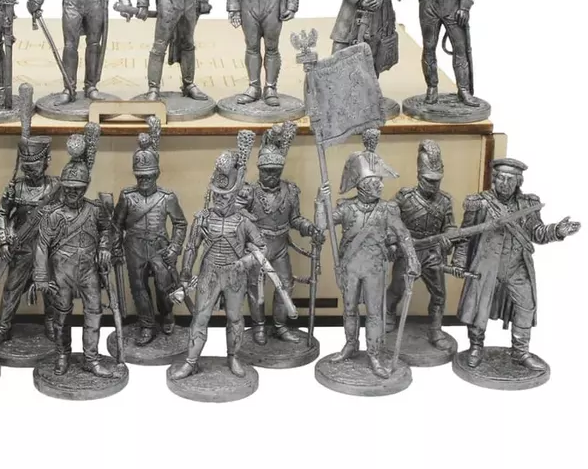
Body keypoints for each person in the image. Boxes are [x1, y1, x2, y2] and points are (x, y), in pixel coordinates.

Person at [454, 158, 580, 373]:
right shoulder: (479, 203)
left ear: (518, 182)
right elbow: (465, 235)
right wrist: (459, 261)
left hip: (517, 266)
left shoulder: (528, 205)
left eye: (510, 180)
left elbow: (537, 233)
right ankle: (475, 347)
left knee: (526, 306)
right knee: (478, 306)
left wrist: (557, 231)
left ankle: (520, 352)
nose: (504, 183)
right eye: (501, 178)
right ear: (494, 179)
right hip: (486, 265)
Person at [316, 153, 420, 378]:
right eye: (375, 182)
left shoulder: (387, 209)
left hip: (374, 268)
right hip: (350, 267)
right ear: (362, 186)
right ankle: (350, 345)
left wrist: (412, 259)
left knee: (374, 313)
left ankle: (374, 354)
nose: (381, 186)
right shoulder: (346, 208)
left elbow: (403, 235)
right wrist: (319, 202)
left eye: (380, 182)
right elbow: (321, 225)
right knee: (349, 309)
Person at [169, 147, 267, 379]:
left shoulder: (244, 221)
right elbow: (191, 247)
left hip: (235, 276)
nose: (219, 199)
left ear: (234, 195)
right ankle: (191, 362)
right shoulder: (202, 218)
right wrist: (185, 274)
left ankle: (233, 357)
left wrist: (245, 262)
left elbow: (263, 248)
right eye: (216, 194)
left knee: (235, 318)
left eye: (224, 195)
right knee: (200, 318)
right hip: (209, 273)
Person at [32, 131, 118, 378]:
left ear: (85, 188)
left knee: (94, 313)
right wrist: (41, 276)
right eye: (68, 188)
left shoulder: (95, 210)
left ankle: (91, 358)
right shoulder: (54, 215)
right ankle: (62, 354)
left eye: (77, 189)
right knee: (61, 316)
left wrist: (104, 247)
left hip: (89, 270)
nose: (72, 193)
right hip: (62, 271)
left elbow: (107, 231)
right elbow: (42, 245)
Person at [241, 123, 322, 346]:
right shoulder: (250, 192)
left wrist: (309, 228)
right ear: (260, 169)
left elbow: (295, 219)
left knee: (285, 285)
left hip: (280, 247)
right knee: (255, 288)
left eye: (275, 171)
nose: (271, 175)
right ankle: (258, 326)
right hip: (257, 248)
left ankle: (280, 325)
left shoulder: (290, 190)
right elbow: (239, 220)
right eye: (267, 171)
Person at [0, 118, 59, 347]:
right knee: (11, 289)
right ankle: (3, 328)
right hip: (21, 247)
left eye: (33, 166)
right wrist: (4, 242)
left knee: (50, 288)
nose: (29, 171)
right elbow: (1, 212)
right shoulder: (15, 187)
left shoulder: (55, 187)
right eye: (25, 166)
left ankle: (52, 324)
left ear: (46, 162)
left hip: (47, 248)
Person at [112, 126, 187, 347]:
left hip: (159, 247)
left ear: (156, 174)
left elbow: (180, 224)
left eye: (148, 176)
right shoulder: (127, 196)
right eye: (140, 176)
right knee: (138, 288)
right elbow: (116, 224)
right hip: (134, 247)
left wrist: (174, 248)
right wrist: (115, 247)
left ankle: (167, 314)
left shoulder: (166, 197)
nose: (143, 180)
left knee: (164, 286)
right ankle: (146, 324)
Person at [385, 139, 456, 352]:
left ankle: (435, 329)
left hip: (433, 253)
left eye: (437, 181)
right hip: (409, 251)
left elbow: (450, 225)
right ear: (419, 176)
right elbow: (389, 222)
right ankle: (388, 314)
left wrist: (448, 238)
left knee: (439, 294)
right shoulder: (405, 198)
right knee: (397, 288)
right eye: (428, 180)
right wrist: (392, 243)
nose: (433, 185)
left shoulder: (445, 201)